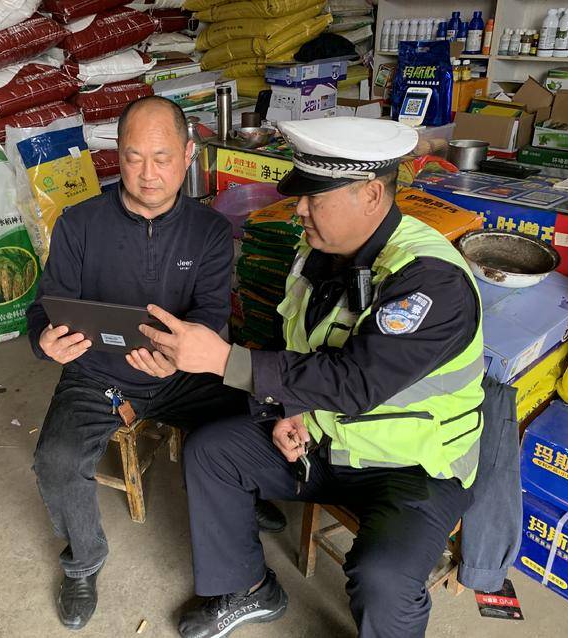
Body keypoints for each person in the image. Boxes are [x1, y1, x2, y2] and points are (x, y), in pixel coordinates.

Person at [139, 117, 486, 638]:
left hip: (413, 466)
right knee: (211, 452)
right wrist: (293, 409)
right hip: (325, 438)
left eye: (314, 197)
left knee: (384, 579)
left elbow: (356, 382)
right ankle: (250, 589)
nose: (299, 209)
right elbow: (304, 348)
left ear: (371, 195)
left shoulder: (430, 281)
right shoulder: (317, 253)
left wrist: (225, 359)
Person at [25, 96, 285, 632]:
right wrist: (44, 341)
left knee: (255, 408)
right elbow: (46, 307)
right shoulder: (79, 224)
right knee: (56, 460)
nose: (148, 174)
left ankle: (242, 496)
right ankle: (83, 562)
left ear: (188, 154)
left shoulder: (210, 230)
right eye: (133, 158)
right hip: (98, 376)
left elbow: (211, 314)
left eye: (162, 158)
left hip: (183, 373)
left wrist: (179, 356)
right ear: (117, 155)